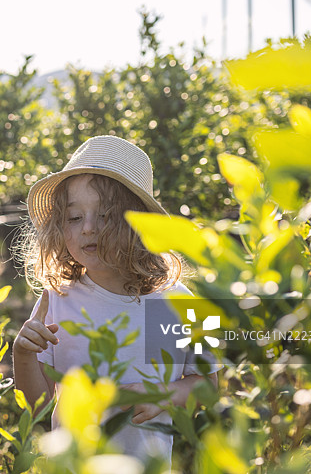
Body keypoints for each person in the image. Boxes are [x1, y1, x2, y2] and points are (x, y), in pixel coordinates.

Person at [12, 135, 219, 464]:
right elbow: (37, 406)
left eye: (105, 215)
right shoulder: (57, 301)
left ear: (138, 224)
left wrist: (162, 395)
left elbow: (208, 385)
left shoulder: (178, 302)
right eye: (74, 217)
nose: (88, 228)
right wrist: (23, 355)